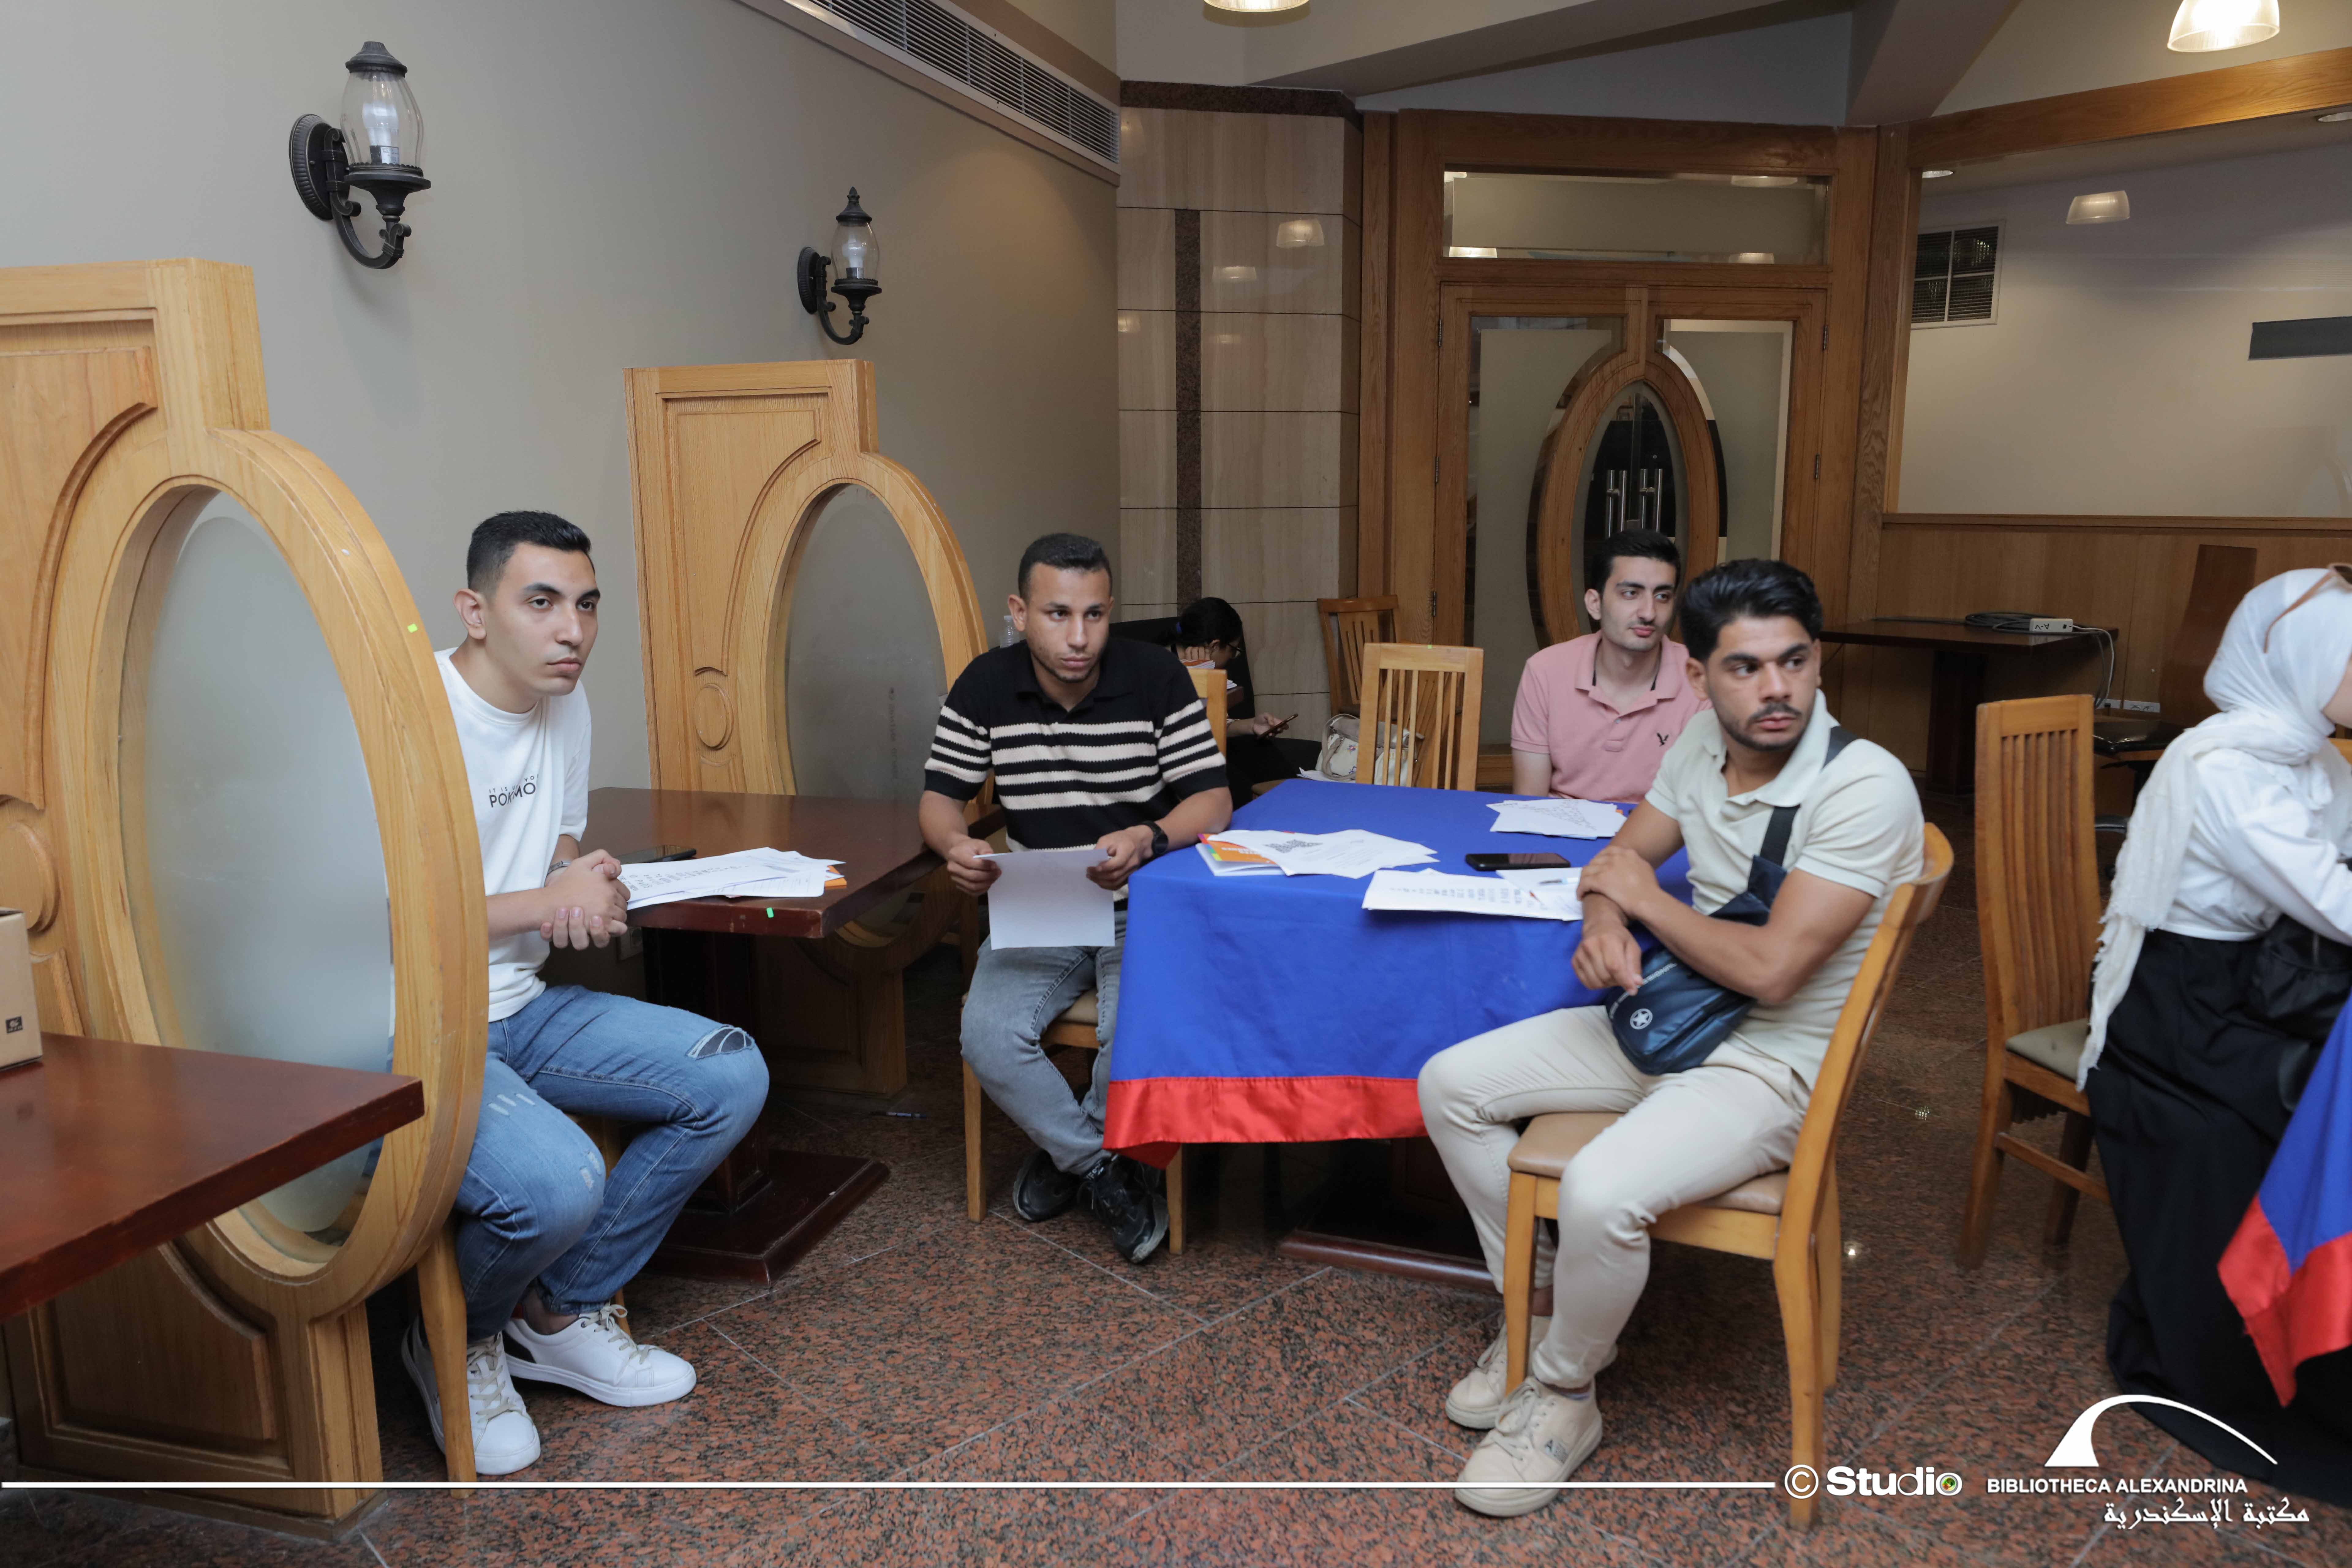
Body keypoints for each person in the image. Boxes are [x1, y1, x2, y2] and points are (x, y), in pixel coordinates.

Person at [1418, 558, 1921, 1517]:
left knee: (1599, 1188)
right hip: (1679, 1017)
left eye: (1794, 661)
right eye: (1744, 667)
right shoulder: (1698, 740)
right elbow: (1622, 857)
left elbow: (1773, 971)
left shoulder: (1865, 786)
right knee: (1449, 1083)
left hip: (1773, 1067)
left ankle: (1563, 1393)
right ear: (1697, 675)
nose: (1775, 689)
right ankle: (1540, 1311)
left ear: (1818, 660)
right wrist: (1605, 916)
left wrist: (1643, 901)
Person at [405, 511, 770, 1475]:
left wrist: (582, 880)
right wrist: (546, 899)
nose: (573, 631)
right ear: (474, 611)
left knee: (730, 1072)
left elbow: (555, 847)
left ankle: (556, 1311)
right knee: (558, 1180)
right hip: (413, 1027)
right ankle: (456, 1340)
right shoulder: (413, 714)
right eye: (542, 602)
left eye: (587, 604)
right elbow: (387, 915)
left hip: (521, 1002)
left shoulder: (564, 703)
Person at [2082, 566, 2352, 1505]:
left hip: (2255, 989)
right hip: (2178, 1013)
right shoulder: (2227, 767)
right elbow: (2338, 901)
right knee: (2305, 1111)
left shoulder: (2309, 756)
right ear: (2302, 664)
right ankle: (2285, 1343)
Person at [921, 534, 1234, 1263]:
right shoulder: (985, 685)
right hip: (1041, 902)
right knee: (986, 1032)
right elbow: (939, 799)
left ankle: (1073, 1156)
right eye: (1057, 614)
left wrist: (1149, 836)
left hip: (1146, 901)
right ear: (1019, 611)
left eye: (1094, 615)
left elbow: (1214, 802)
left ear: (1110, 610)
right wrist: (955, 846)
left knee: (1140, 1031)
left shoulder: (1155, 676)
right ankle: (1100, 1167)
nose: (1079, 637)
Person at [1510, 529, 1708, 803]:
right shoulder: (1545, 670)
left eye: (1663, 596)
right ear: (1595, 603)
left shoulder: (1701, 678)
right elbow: (1530, 801)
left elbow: (1698, 804)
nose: (1649, 613)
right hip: (1561, 826)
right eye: (1631, 593)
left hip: (1660, 828)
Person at [1171, 596, 1315, 794]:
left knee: (1264, 752)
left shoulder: (1204, 669)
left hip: (1207, 749)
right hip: (1181, 762)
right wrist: (1198, 680)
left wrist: (1252, 725)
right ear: (1214, 646)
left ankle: (1294, 797)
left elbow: (1214, 725)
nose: (1233, 658)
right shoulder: (1160, 669)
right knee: (1240, 782)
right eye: (1233, 650)